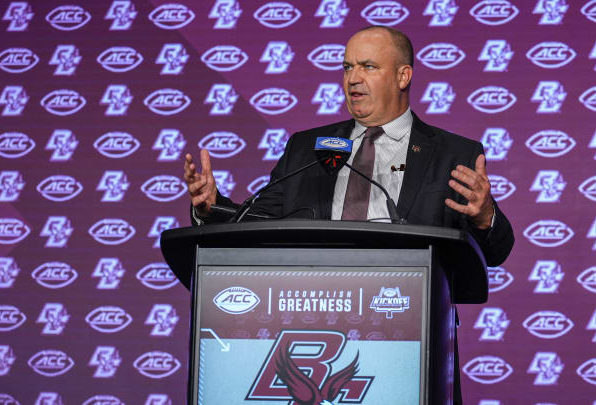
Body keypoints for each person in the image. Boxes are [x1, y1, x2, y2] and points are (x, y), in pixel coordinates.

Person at [183, 25, 514, 404]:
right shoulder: (309, 147)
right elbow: (257, 222)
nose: (353, 78)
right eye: (347, 67)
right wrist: (211, 209)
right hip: (306, 327)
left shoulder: (452, 152)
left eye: (368, 66)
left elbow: (497, 251)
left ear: (403, 75)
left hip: (410, 337)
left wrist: (485, 215)